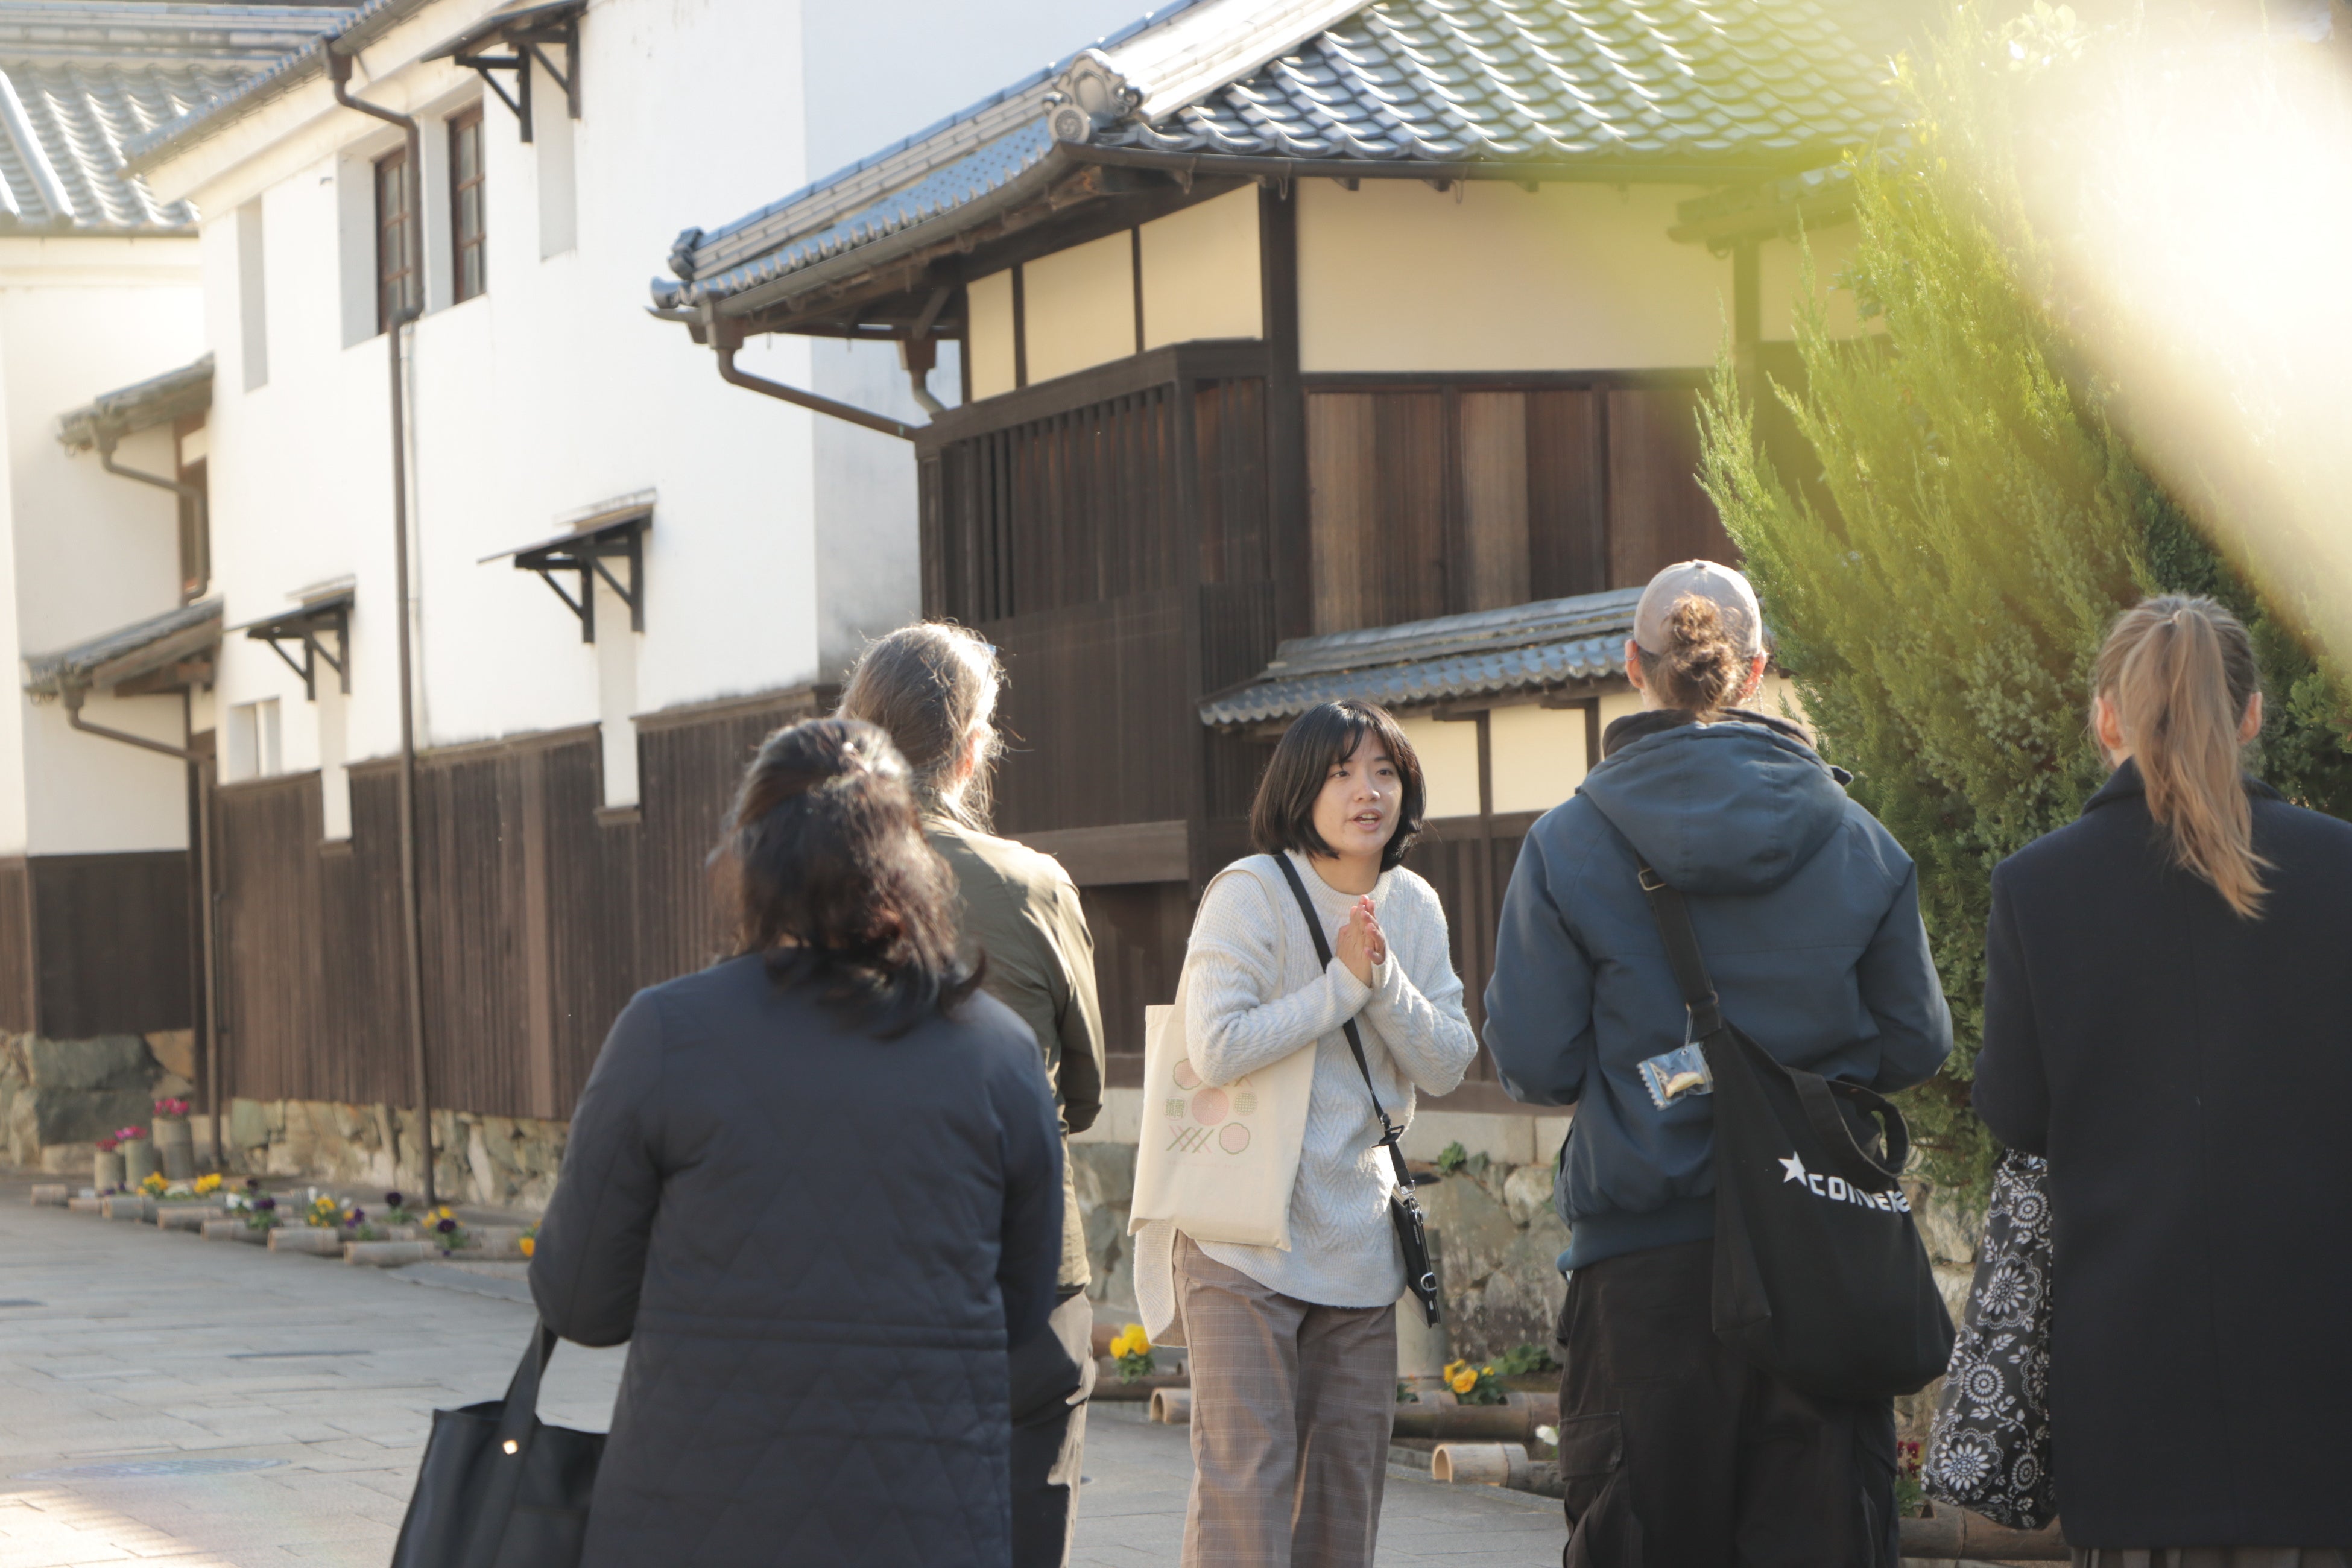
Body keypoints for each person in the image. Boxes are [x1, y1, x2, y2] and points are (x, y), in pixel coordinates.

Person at [1482, 560, 1952, 1567]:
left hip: (1644, 1263)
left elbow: (1533, 1061)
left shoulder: (1569, 843)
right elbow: (1918, 1041)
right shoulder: (1859, 840)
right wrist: (1792, 1075)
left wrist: (1671, 1068)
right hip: (1818, 1249)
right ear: (1758, 670)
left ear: (1632, 666)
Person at [528, 718, 1064, 1568]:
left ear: (749, 859)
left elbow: (580, 1303)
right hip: (930, 1523)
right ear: (909, 860)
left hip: (688, 1523)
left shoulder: (667, 1034)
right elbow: (1024, 1309)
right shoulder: (999, 1053)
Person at [1973, 596, 2352, 1567]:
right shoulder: (2341, 868)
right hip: (2318, 1356)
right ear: (2252, 715)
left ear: (2107, 718)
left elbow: (2016, 1114)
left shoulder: (2035, 886)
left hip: (2129, 1361)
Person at [1145, 698, 1479, 1568]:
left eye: (1384, 772)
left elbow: (1449, 1061)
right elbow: (1217, 1046)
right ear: (1300, 787)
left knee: (1343, 1497)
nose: (1368, 791)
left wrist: (1384, 981)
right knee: (1246, 1489)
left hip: (1358, 1243)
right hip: (1241, 1240)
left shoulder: (1413, 905)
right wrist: (1340, 988)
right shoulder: (1249, 892)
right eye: (1341, 773)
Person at [836, 622, 1107, 1568]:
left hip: (856, 1269)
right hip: (1020, 1266)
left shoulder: (808, 886)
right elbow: (1082, 1094)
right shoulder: (1031, 885)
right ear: (971, 746)